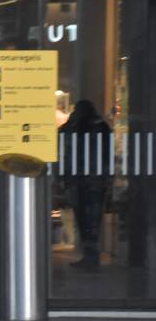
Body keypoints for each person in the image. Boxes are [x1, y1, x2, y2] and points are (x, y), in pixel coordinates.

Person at [59, 100, 111, 268]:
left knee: (83, 218)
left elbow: (62, 134)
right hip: (98, 180)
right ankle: (92, 256)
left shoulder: (76, 125)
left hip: (80, 179)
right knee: (94, 220)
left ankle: (89, 256)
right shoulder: (102, 126)